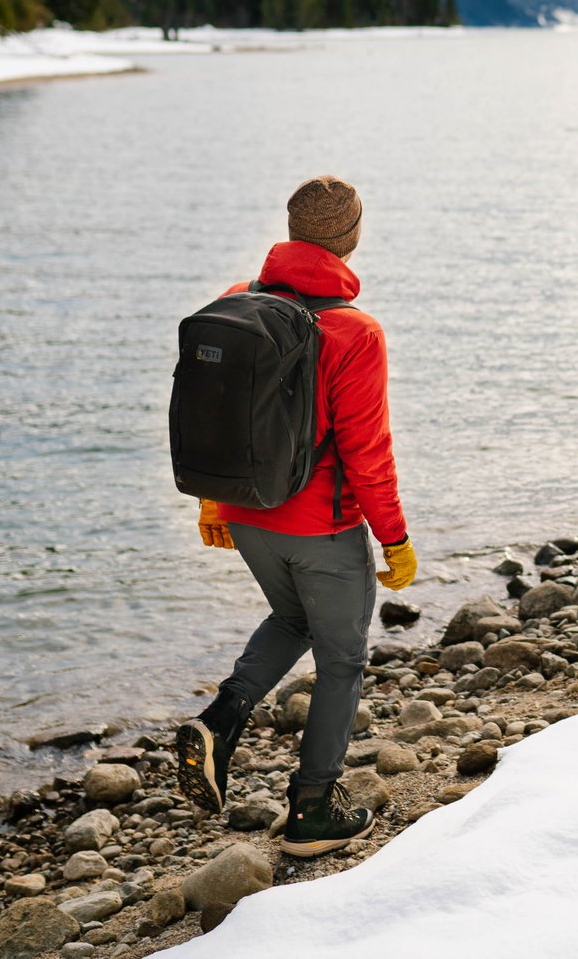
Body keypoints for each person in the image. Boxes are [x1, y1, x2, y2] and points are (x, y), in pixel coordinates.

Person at [175, 175, 417, 857]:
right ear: (351, 238)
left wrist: (213, 502)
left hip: (247, 516)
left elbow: (207, 412)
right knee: (342, 659)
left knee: (292, 618)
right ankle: (313, 809)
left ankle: (221, 722)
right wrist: (394, 540)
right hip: (322, 529)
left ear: (291, 231)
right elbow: (369, 454)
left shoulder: (233, 304)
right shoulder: (355, 331)